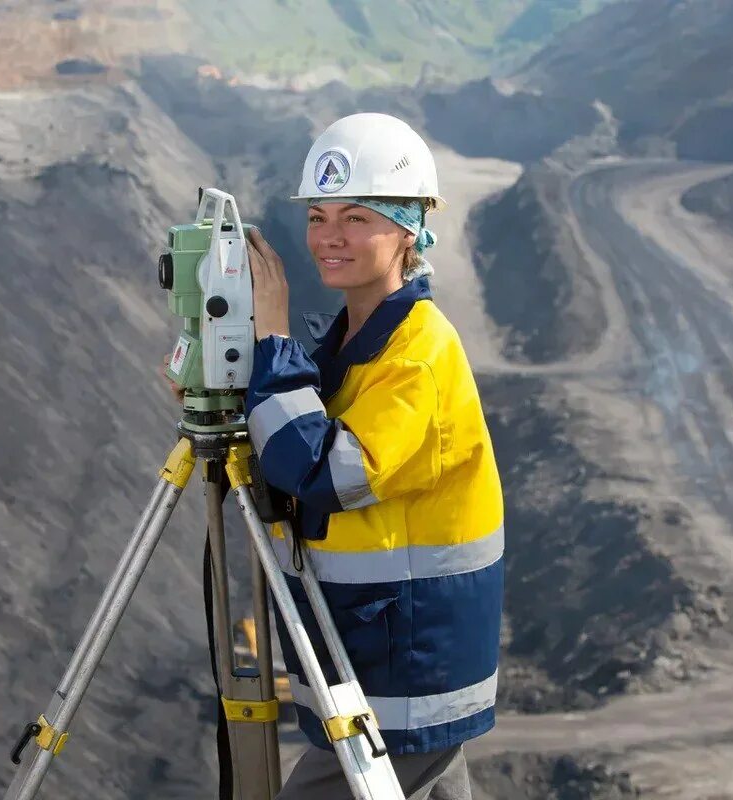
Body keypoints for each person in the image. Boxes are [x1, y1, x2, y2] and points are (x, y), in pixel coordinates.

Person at [244, 113, 504, 799]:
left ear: (410, 226)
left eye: (357, 217)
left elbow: (325, 472)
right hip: (379, 651)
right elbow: (287, 448)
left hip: (404, 664)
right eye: (320, 215)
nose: (330, 235)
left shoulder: (416, 354)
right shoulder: (354, 343)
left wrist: (271, 341)